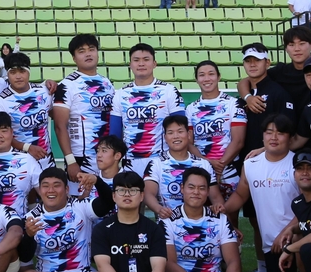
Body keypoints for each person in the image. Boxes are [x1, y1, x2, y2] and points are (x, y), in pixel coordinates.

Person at [164, 166, 266, 272]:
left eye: (202, 188)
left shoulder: (220, 219)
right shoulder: (168, 220)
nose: (196, 192)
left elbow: (232, 260)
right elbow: (169, 264)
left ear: (207, 192)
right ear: (182, 189)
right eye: (191, 187)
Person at [88, 172, 188, 272]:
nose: (127, 194)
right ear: (114, 196)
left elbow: (158, 267)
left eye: (133, 190)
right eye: (121, 190)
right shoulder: (102, 229)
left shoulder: (154, 229)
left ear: (141, 196)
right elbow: (103, 265)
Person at [223, 115, 299, 272]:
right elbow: (241, 195)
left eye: (280, 133)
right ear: (262, 136)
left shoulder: (298, 164)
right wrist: (221, 210)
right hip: (272, 244)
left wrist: (289, 230)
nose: (274, 137)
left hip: (298, 237)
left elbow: (309, 206)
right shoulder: (251, 164)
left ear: (290, 137)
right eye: (269, 132)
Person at [21, 167, 115, 272]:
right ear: (40, 191)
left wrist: (97, 181)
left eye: (56, 185)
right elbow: (24, 257)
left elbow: (109, 202)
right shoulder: (30, 218)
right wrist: (28, 236)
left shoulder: (81, 206)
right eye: (45, 186)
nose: (51, 190)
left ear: (66, 189)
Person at [52, 34, 115, 195]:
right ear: (74, 58)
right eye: (82, 51)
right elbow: (60, 126)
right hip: (80, 158)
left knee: (108, 205)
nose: (88, 54)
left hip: (107, 158)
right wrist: (70, 160)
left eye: (91, 49)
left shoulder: (107, 83)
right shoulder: (67, 85)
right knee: (82, 208)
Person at [109, 43, 183, 176]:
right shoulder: (120, 94)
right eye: (136, 60)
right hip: (130, 163)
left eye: (146, 59)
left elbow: (182, 128)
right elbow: (115, 135)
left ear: (154, 63)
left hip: (162, 162)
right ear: (130, 64)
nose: (141, 64)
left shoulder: (168, 91)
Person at [0, 52, 56, 175]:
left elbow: (57, 118)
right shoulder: (0, 102)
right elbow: (0, 135)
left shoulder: (44, 91)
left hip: (46, 161)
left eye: (22, 71)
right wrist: (27, 148)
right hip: (18, 163)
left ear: (29, 72)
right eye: (13, 72)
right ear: (7, 74)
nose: (18, 76)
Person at [185, 61, 246, 189]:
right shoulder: (190, 109)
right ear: (196, 79)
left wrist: (220, 165)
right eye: (202, 75)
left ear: (218, 77)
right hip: (202, 170)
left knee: (228, 208)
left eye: (211, 74)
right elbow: (189, 143)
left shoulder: (233, 104)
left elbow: (238, 141)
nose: (206, 79)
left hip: (230, 169)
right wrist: (207, 163)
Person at [144, 114, 214, 218]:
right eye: (170, 133)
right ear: (165, 137)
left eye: (180, 131)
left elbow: (215, 197)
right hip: (168, 223)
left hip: (200, 223)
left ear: (189, 134)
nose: (176, 136)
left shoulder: (203, 164)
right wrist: (159, 209)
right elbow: (148, 193)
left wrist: (218, 206)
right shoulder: (155, 164)